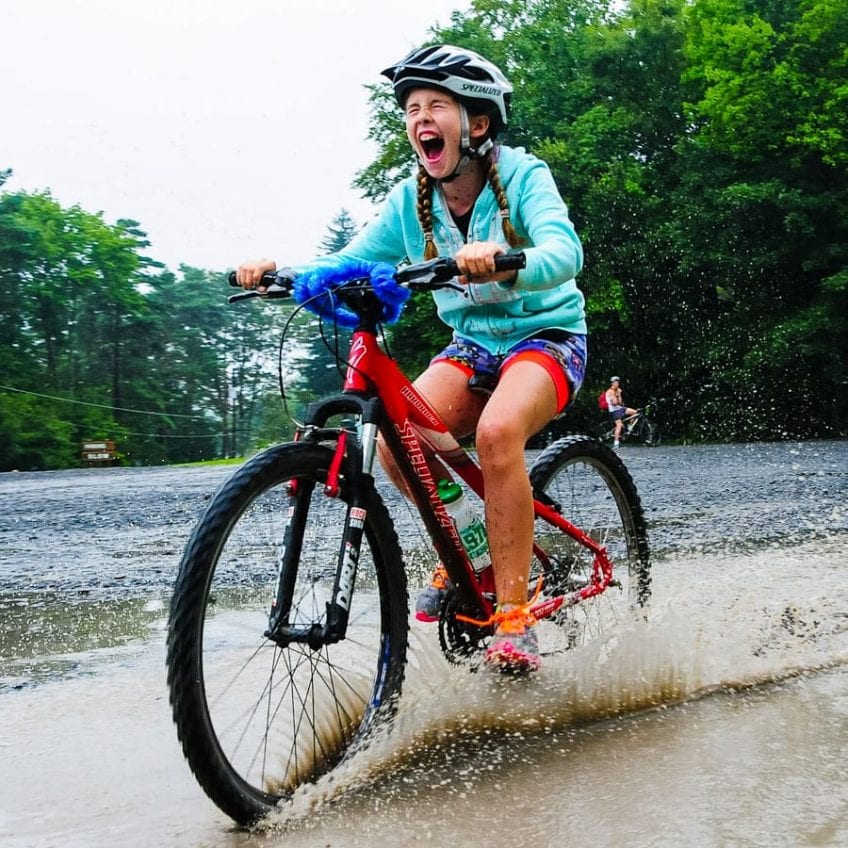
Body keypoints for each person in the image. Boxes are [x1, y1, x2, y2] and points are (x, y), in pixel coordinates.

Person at [235, 45, 586, 673]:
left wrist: (505, 258)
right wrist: (282, 274)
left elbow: (565, 251)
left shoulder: (523, 177)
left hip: (548, 340)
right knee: (397, 440)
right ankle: (473, 550)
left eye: (436, 105)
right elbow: (349, 259)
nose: (420, 116)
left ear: (476, 123)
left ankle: (513, 618)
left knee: (498, 433)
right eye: (412, 108)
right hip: (473, 348)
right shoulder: (411, 199)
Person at [605, 376, 637, 449]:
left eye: (618, 382)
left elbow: (620, 402)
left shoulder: (616, 391)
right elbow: (615, 403)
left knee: (635, 413)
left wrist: (619, 395)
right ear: (612, 383)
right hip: (614, 411)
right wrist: (617, 394)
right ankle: (616, 443)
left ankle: (629, 427)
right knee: (619, 425)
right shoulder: (610, 392)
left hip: (619, 408)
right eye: (616, 382)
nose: (617, 384)